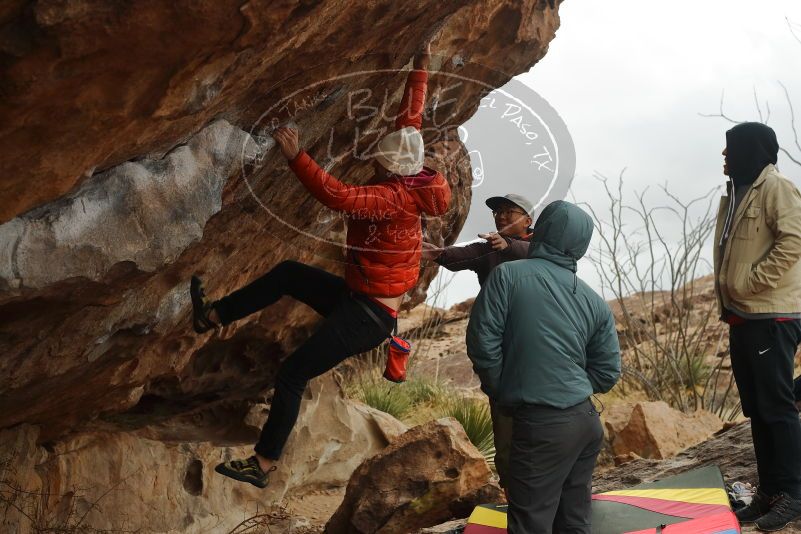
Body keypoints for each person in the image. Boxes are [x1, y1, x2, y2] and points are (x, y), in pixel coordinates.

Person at [189, 43, 451, 489]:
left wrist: (296, 156)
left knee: (292, 373)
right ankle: (212, 316)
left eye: (381, 162)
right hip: (360, 300)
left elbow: (339, 196)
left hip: (366, 316)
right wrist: (421, 68)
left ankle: (263, 464)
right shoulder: (416, 171)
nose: (376, 163)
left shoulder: (393, 197)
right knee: (290, 273)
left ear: (394, 170)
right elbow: (411, 122)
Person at [466, 200, 621, 534]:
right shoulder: (594, 301)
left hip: (540, 424)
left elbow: (482, 341)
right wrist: (571, 386)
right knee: (574, 522)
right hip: (585, 423)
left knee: (530, 523)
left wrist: (502, 388)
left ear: (542, 229)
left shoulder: (508, 275)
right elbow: (608, 372)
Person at [713, 122, 801, 531]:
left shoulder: (776, 187)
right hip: (743, 316)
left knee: (778, 408)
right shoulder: (736, 194)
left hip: (771, 314)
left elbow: (794, 241)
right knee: (759, 409)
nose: (725, 157)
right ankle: (770, 491)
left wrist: (750, 282)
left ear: (750, 150)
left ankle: (794, 494)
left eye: (731, 150)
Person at [422, 193, 533, 491]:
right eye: (498, 212)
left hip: (537, 351)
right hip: (503, 354)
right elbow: (462, 256)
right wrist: (437, 254)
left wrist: (509, 245)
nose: (501, 216)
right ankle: (513, 492)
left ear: (529, 220)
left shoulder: (543, 246)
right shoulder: (489, 249)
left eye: (510, 211)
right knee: (506, 425)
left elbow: (545, 253)